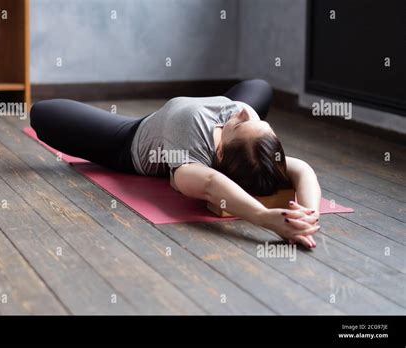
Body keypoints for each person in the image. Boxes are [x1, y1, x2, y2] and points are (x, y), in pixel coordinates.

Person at [30, 79, 321, 248]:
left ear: (218, 156)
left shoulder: (194, 164)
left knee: (43, 114)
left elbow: (209, 184)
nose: (245, 113)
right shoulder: (243, 117)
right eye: (257, 123)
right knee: (259, 87)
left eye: (241, 126)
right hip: (163, 126)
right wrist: (308, 216)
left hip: (129, 143)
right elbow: (303, 169)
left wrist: (273, 218)